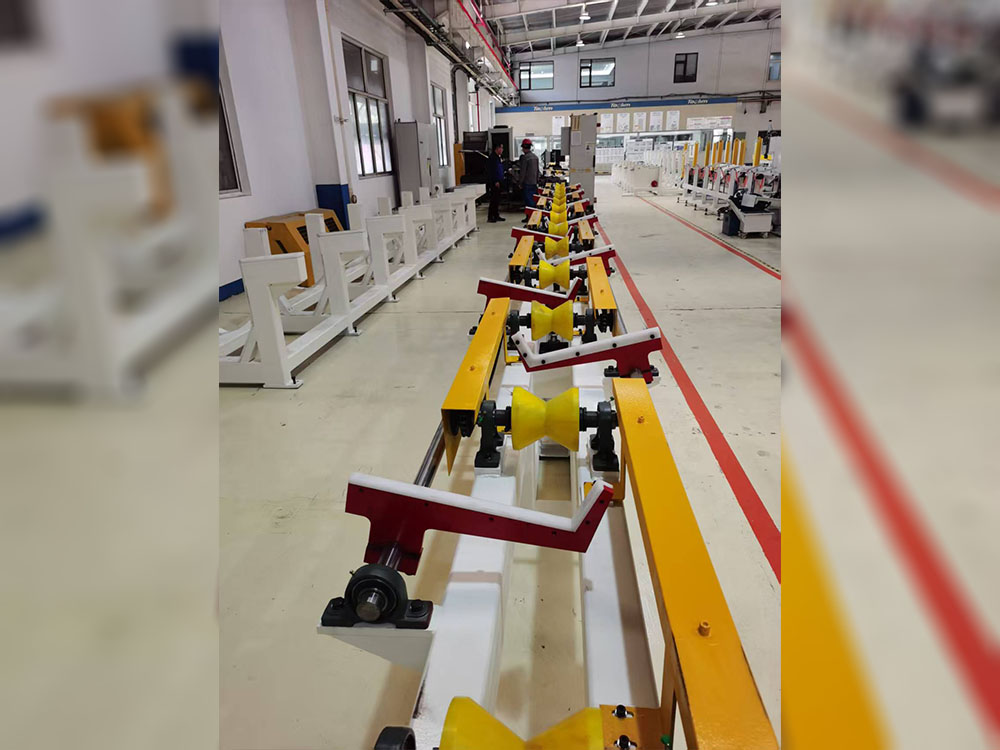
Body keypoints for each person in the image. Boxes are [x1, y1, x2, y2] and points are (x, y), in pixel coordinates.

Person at [516, 138, 540, 220]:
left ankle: (530, 218)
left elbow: (523, 172)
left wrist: (520, 183)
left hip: (527, 183)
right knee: (533, 200)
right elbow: (537, 171)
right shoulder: (535, 157)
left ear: (523, 147)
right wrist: (537, 180)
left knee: (528, 201)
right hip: (534, 183)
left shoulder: (525, 158)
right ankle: (532, 217)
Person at [487, 142, 505, 222]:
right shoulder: (492, 158)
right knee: (493, 200)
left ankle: (496, 215)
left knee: (497, 200)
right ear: (497, 148)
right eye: (501, 148)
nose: (502, 150)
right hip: (495, 182)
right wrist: (495, 181)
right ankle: (490, 217)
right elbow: (492, 171)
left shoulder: (498, 157)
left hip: (499, 181)